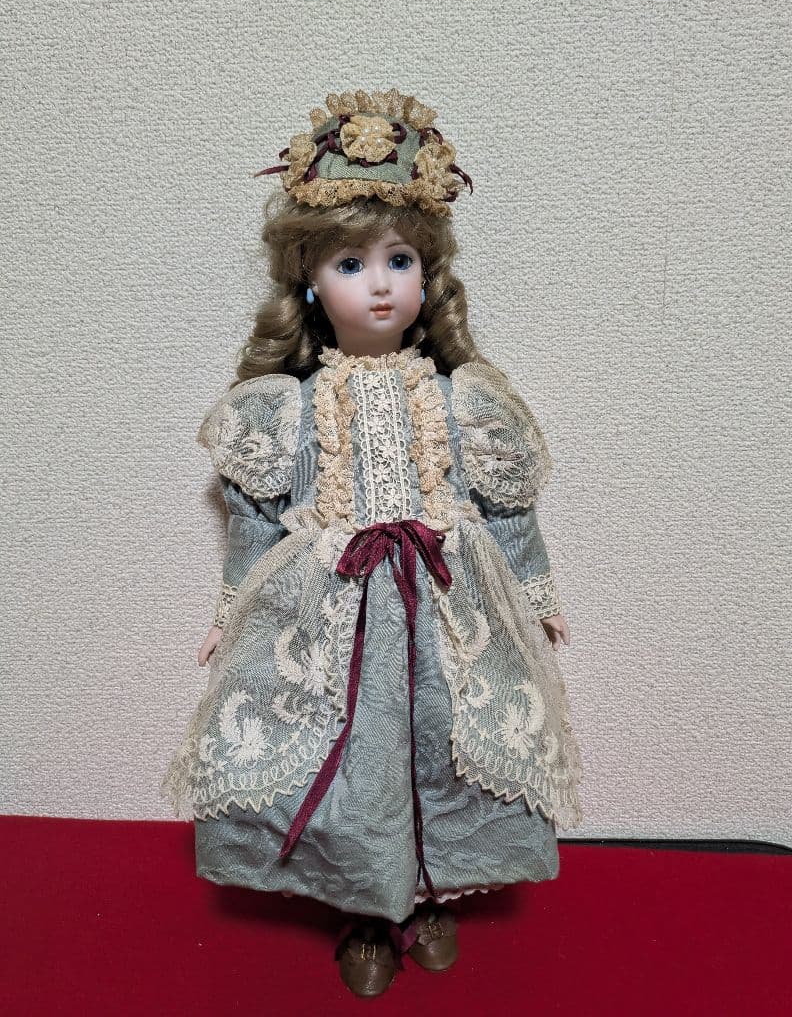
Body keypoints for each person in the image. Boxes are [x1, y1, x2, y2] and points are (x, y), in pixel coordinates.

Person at [161, 87, 583, 998]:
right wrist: (232, 614)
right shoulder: (284, 409)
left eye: (399, 260)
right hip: (334, 605)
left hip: (449, 601)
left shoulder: (468, 400)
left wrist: (535, 599)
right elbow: (256, 524)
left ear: (428, 275)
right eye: (352, 263)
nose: (381, 283)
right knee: (350, 754)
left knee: (449, 747)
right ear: (312, 283)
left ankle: (432, 896)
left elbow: (508, 510)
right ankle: (364, 909)